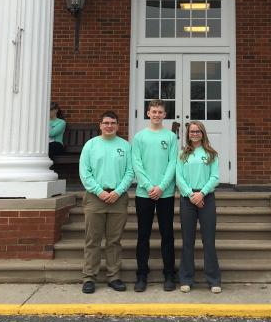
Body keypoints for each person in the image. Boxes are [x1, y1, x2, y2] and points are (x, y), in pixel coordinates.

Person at [78, 110, 133, 294]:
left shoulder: (125, 146)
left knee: (114, 241)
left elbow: (130, 172)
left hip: (118, 198)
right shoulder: (91, 145)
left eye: (113, 123)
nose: (109, 126)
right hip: (95, 198)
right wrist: (99, 192)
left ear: (118, 126)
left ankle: (113, 276)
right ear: (100, 125)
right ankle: (89, 277)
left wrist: (117, 191)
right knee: (93, 239)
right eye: (106, 123)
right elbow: (85, 172)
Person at [131, 98, 178, 292]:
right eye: (153, 111)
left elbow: (173, 163)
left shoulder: (171, 137)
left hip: (165, 194)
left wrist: (161, 187)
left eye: (160, 112)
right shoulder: (140, 137)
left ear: (165, 115)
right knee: (143, 235)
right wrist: (149, 186)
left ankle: (169, 274)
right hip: (144, 193)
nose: (157, 115)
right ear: (148, 114)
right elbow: (136, 163)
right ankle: (142, 274)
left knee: (167, 235)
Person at [176, 120, 221, 294]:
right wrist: (191, 194)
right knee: (188, 241)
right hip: (188, 199)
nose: (194, 134)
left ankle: (213, 279)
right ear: (187, 134)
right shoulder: (182, 154)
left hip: (206, 198)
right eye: (191, 131)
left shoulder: (211, 154)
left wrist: (201, 194)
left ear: (203, 133)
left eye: (198, 131)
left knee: (208, 241)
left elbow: (215, 177)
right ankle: (186, 279)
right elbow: (178, 177)